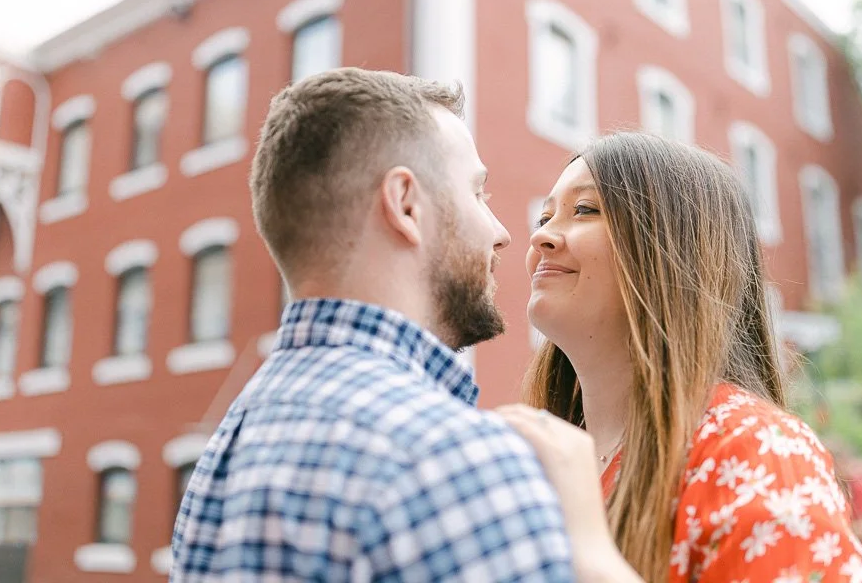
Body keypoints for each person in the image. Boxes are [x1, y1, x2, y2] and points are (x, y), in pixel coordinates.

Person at [170, 68, 578, 581]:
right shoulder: (454, 461)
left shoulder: (221, 455)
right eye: (478, 193)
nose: (499, 233)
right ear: (405, 204)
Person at [499, 132, 862, 582]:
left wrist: (588, 553)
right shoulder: (540, 456)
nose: (540, 235)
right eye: (545, 216)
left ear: (675, 248)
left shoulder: (754, 451)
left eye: (584, 209)